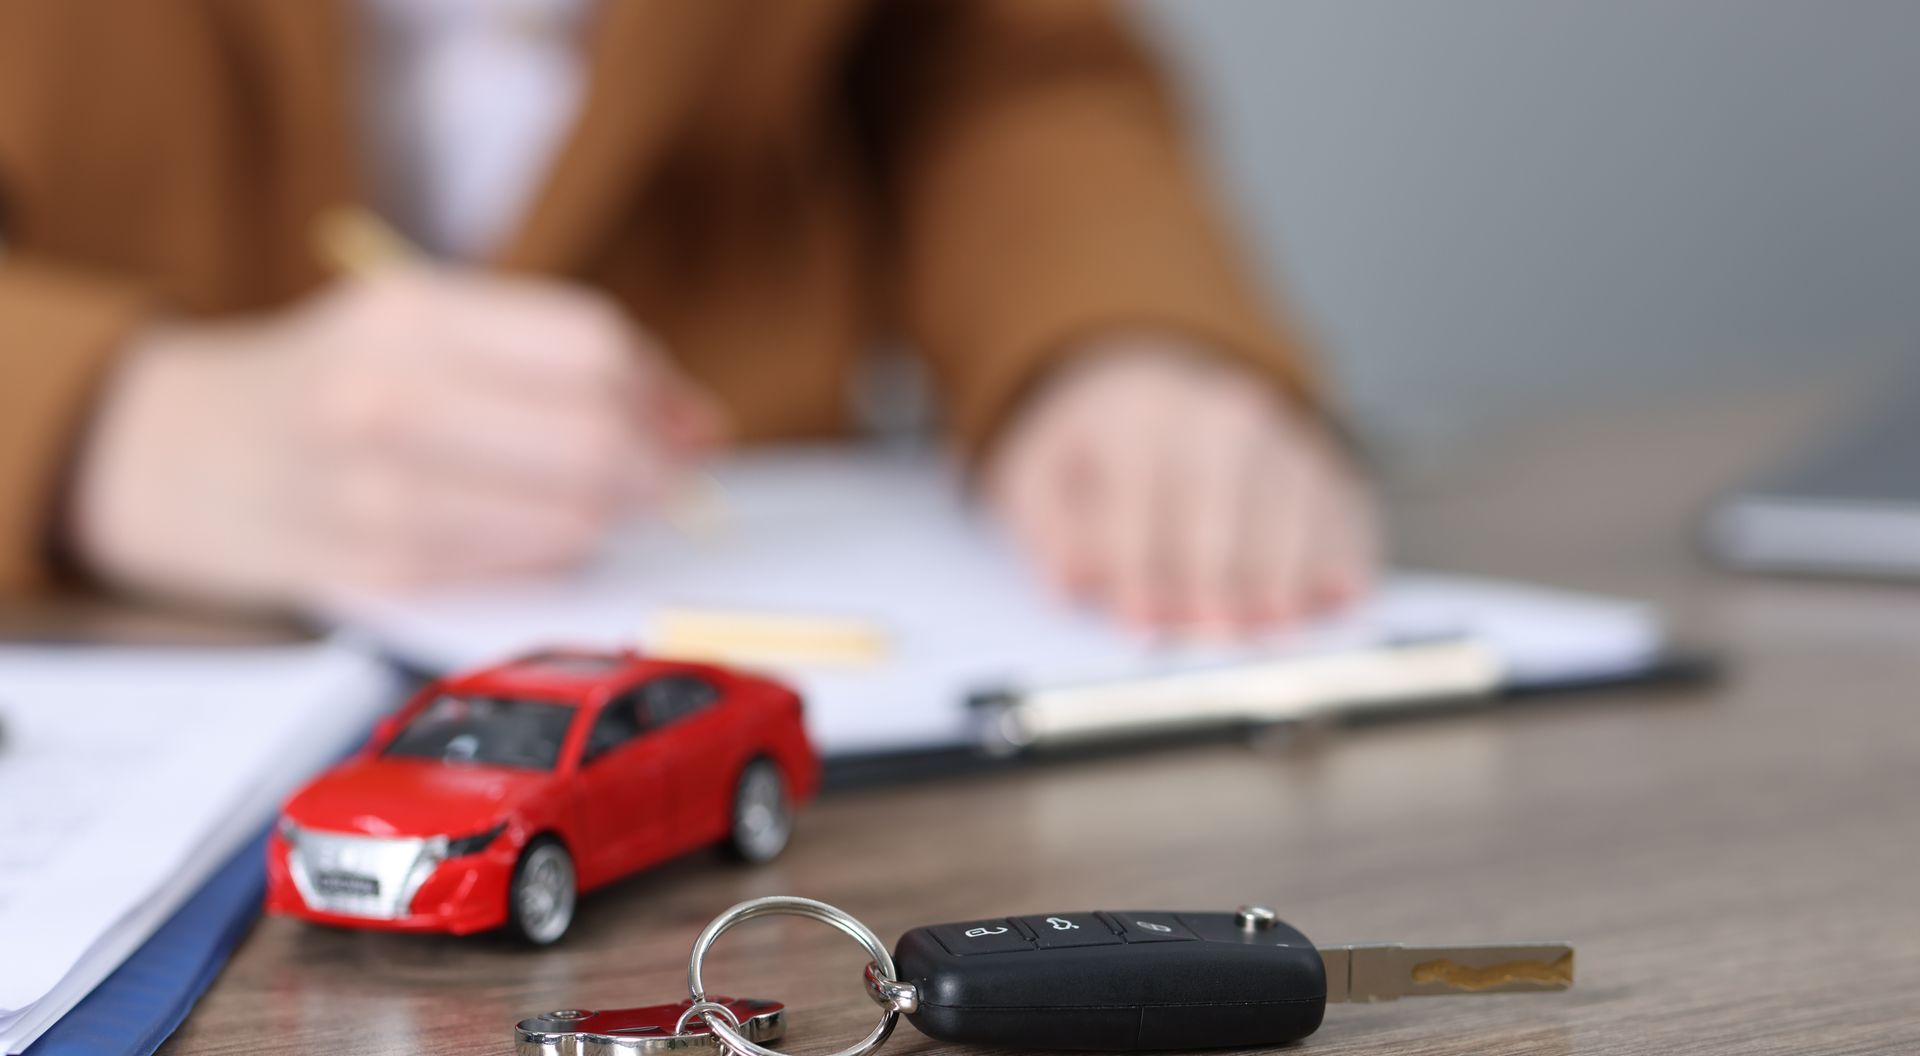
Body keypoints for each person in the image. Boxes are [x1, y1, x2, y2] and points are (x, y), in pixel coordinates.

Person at [0, 0, 1375, 634]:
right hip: (115, 670)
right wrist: (102, 421)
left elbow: (984, 62)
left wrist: (1111, 333)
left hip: (737, 622)